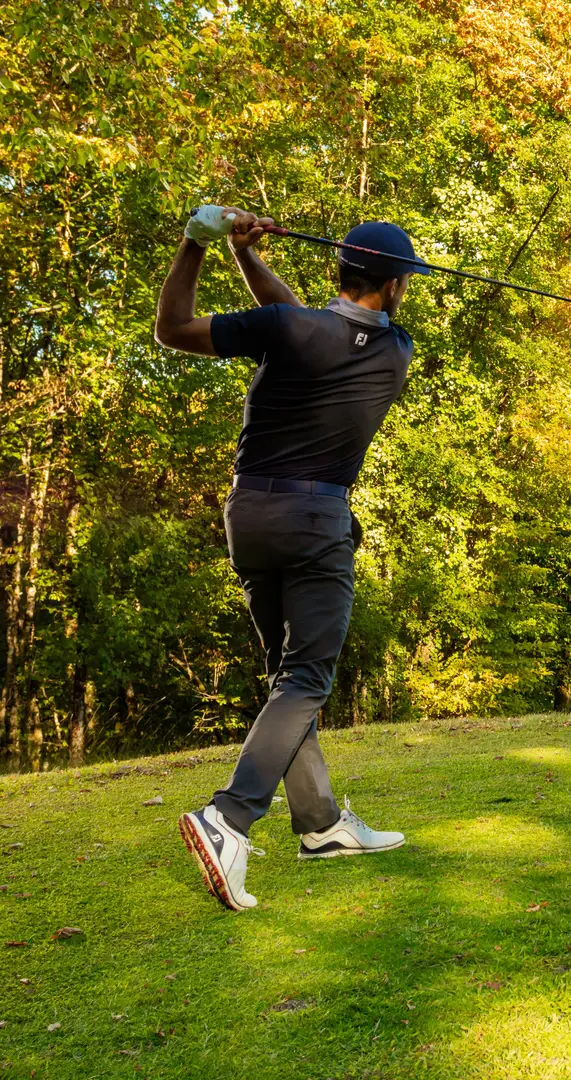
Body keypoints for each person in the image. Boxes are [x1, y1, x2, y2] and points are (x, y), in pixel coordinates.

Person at [153, 204, 425, 911]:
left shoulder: (291, 330)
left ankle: (322, 825)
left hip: (250, 516)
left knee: (286, 674)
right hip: (317, 519)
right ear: (393, 288)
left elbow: (174, 329)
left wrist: (204, 246)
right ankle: (229, 818)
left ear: (340, 270)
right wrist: (242, 256)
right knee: (307, 676)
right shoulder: (396, 352)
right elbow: (307, 325)